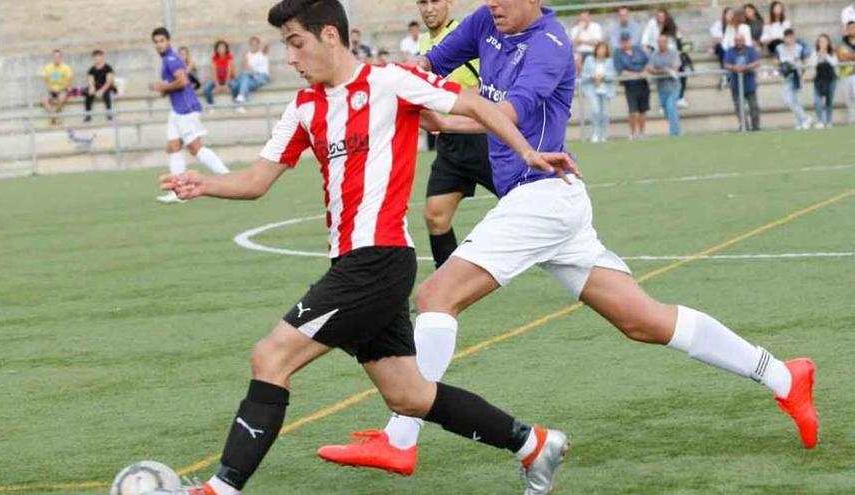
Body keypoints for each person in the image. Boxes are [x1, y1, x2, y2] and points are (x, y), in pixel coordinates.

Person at [318, 0, 818, 479]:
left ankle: (400, 440)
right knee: (642, 320)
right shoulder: (482, 23)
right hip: (554, 200)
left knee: (434, 296)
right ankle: (783, 376)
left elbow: (506, 116)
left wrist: (440, 113)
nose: (493, 4)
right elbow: (425, 63)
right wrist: (396, 85)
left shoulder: (550, 45)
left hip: (540, 198)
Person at [156, 1, 577, 494]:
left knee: (270, 357)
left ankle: (218, 489)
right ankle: (533, 444)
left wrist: (527, 151)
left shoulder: (391, 82)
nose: (290, 57)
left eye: (296, 42)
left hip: (377, 260)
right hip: (358, 262)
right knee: (410, 395)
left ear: (329, 35)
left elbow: (476, 105)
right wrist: (201, 184)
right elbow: (255, 181)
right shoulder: (304, 107)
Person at [410, 0, 496, 269]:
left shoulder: (465, 37)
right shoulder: (424, 43)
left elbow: (490, 90)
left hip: (482, 139)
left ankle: (573, 256)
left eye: (434, 1)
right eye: (422, 2)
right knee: (435, 216)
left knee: (526, 208)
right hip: (449, 143)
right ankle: (444, 284)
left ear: (450, 2)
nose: (428, 8)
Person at [149, 27, 230, 205]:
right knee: (173, 147)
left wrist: (162, 87)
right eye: (156, 42)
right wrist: (164, 89)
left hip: (185, 109)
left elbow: (183, 81)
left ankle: (227, 178)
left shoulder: (171, 59)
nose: (159, 44)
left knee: (195, 148)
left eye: (162, 40)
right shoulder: (167, 60)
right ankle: (178, 192)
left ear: (168, 41)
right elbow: (175, 83)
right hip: (176, 110)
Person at [614, 32, 650, 139]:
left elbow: (647, 62)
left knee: (643, 109)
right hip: (630, 84)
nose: (626, 43)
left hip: (643, 82)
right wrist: (635, 74)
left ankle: (642, 132)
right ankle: (633, 133)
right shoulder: (618, 53)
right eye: (623, 41)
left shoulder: (638, 50)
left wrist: (643, 72)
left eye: (627, 40)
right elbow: (620, 70)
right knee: (632, 110)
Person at [725, 33, 762, 131]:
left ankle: (756, 127)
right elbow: (726, 64)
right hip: (736, 85)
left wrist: (746, 67)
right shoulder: (730, 51)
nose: (738, 42)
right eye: (736, 40)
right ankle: (744, 126)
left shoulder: (750, 50)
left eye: (740, 40)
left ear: (744, 40)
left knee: (754, 106)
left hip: (749, 84)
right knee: (739, 108)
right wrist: (734, 67)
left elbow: (757, 62)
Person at [581, 41, 616, 142]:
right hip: (592, 90)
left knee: (605, 114)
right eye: (600, 48)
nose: (602, 51)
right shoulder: (589, 60)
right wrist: (593, 77)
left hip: (606, 91)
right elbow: (584, 75)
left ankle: (604, 135)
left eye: (604, 49)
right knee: (595, 111)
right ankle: (595, 133)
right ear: (596, 49)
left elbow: (613, 76)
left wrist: (603, 77)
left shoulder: (610, 61)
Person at [776, 28, 812, 130]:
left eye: (792, 37)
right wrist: (784, 65)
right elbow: (776, 60)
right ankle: (805, 118)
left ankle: (801, 122)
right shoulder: (779, 48)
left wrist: (801, 71)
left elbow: (804, 62)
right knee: (788, 100)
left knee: (798, 101)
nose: (790, 39)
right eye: (787, 37)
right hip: (786, 77)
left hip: (797, 76)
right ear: (784, 38)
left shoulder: (799, 48)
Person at [647, 35, 681, 136]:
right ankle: (674, 129)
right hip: (661, 88)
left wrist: (660, 71)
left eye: (663, 42)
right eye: (659, 42)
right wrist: (664, 70)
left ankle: (675, 133)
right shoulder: (654, 55)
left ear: (667, 42)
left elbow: (675, 68)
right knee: (667, 111)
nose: (661, 44)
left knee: (671, 107)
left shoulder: (673, 53)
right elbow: (649, 68)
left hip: (674, 87)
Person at [232, 36, 271, 110]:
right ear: (250, 45)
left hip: (262, 77)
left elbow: (267, 43)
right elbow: (245, 68)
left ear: (258, 44)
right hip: (252, 77)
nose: (254, 45)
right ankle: (241, 101)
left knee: (239, 84)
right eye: (252, 43)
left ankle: (240, 101)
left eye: (256, 43)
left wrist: (260, 40)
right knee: (244, 80)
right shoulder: (248, 55)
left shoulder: (263, 52)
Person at [811, 34, 838, 128]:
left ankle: (829, 121)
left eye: (824, 41)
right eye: (820, 41)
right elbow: (812, 64)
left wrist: (825, 54)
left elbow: (834, 63)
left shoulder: (832, 53)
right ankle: (819, 121)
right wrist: (819, 55)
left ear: (828, 42)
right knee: (817, 101)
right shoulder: (815, 53)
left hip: (830, 79)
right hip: (819, 79)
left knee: (829, 101)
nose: (822, 43)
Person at [40, 49, 73, 125]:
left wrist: (61, 89)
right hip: (51, 90)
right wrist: (51, 88)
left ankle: (53, 117)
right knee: (43, 99)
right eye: (55, 57)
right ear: (52, 57)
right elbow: (46, 81)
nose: (56, 58)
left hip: (62, 89)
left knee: (61, 98)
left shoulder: (66, 68)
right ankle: (54, 116)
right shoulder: (48, 68)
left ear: (61, 57)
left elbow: (69, 82)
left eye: (58, 57)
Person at [83, 49, 115, 122]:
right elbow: (90, 80)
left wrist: (101, 91)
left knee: (106, 94)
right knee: (88, 93)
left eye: (98, 57)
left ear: (102, 57)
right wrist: (91, 87)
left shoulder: (108, 68)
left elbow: (108, 82)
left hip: (106, 86)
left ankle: (109, 113)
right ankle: (88, 114)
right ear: (93, 59)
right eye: (95, 58)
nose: (97, 59)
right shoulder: (92, 69)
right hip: (97, 86)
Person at [203, 40, 236, 109]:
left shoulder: (229, 57)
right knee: (206, 88)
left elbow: (229, 71)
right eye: (219, 47)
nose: (221, 49)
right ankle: (211, 105)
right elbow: (214, 72)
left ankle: (235, 104)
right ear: (217, 49)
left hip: (228, 79)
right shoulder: (214, 58)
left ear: (226, 49)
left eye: (223, 47)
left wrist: (226, 84)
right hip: (218, 80)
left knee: (235, 86)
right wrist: (217, 84)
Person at [839, 21, 855, 124]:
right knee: (848, 99)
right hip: (845, 74)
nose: (852, 30)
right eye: (849, 28)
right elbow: (841, 57)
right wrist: (851, 57)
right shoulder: (842, 43)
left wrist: (849, 56)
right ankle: (852, 120)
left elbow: (847, 56)